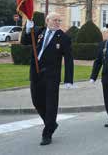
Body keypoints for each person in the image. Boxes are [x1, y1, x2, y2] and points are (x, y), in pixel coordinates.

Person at [21, 12, 74, 146]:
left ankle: (47, 134)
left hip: (51, 76)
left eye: (59, 20)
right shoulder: (39, 31)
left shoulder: (63, 38)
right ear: (47, 20)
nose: (57, 22)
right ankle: (51, 124)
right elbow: (25, 41)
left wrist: (68, 79)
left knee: (51, 105)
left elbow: (69, 60)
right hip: (36, 73)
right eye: (54, 20)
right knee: (37, 102)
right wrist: (28, 28)